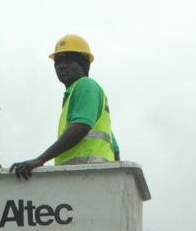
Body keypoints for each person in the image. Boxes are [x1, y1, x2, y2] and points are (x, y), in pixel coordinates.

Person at [11, 35, 118, 179]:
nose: (61, 66)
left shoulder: (86, 86)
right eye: (58, 62)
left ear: (82, 64)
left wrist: (41, 159)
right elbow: (114, 147)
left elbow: (81, 126)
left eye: (68, 61)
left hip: (89, 175)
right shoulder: (76, 96)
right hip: (86, 178)